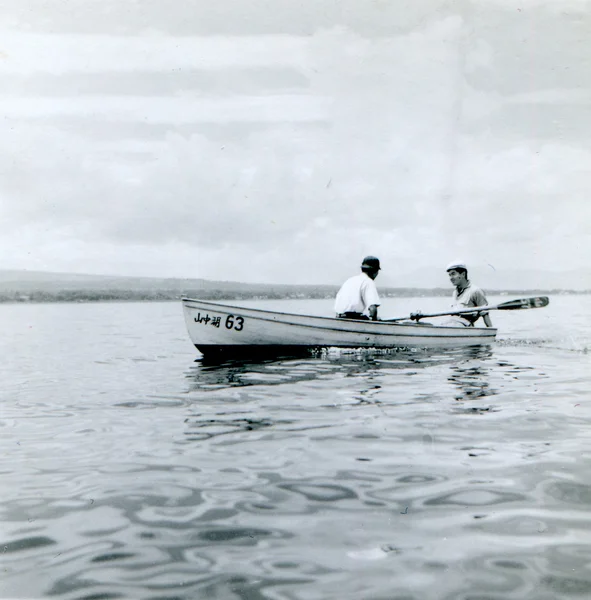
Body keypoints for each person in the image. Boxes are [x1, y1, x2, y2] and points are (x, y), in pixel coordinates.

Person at [445, 260, 493, 327]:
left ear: (463, 274)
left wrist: (490, 332)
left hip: (464, 327)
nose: (451, 278)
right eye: (449, 275)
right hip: (450, 324)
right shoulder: (455, 293)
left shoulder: (475, 291)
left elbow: (485, 314)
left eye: (453, 274)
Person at [334, 256, 381, 321]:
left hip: (339, 318)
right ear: (374, 271)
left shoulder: (350, 280)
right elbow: (372, 308)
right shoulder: (368, 281)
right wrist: (375, 321)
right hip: (353, 319)